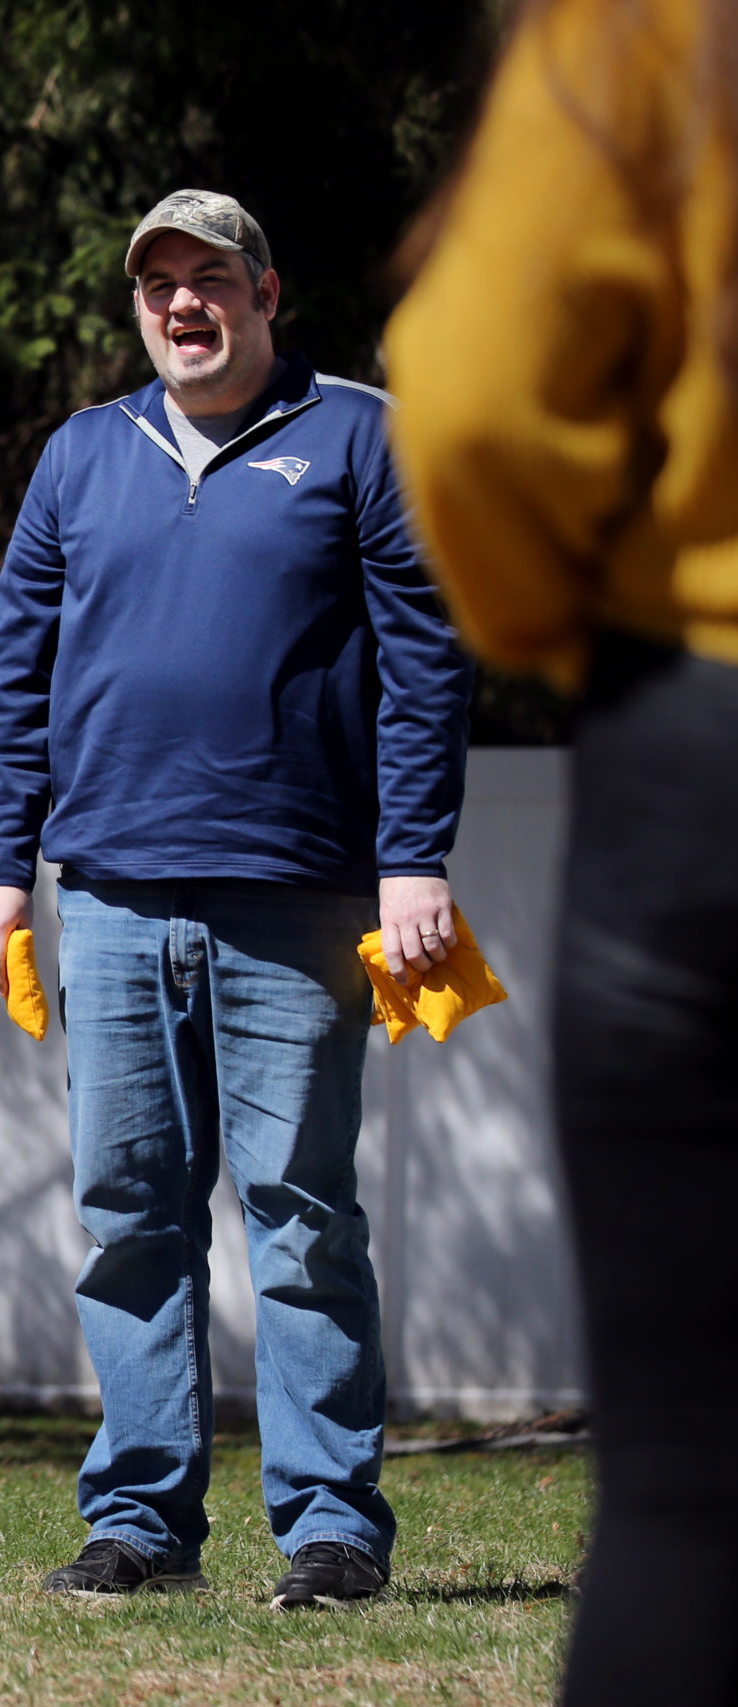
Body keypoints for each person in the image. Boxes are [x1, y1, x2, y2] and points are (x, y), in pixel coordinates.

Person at [0, 189, 475, 1608]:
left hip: (297, 898)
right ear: (140, 308)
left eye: (211, 279)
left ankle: (332, 1526)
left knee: (302, 1212)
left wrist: (414, 854)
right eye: (158, 286)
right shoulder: (80, 455)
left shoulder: (360, 439)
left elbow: (427, 663)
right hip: (114, 893)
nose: (182, 304)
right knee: (129, 1214)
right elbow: (16, 680)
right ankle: (140, 1518)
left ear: (265, 291)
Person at [386, 0, 738, 1695]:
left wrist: (576, 626)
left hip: (708, 745)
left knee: (693, 1504)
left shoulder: (655, 26)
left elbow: (471, 401)